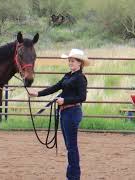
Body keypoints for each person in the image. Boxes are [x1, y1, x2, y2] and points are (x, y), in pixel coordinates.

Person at [29, 49, 90, 180]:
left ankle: (74, 176)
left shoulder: (80, 78)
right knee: (70, 146)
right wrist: (38, 93)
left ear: (80, 63)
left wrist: (65, 100)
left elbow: (82, 97)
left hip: (72, 112)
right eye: (69, 61)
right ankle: (72, 175)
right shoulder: (68, 75)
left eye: (73, 61)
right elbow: (55, 87)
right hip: (65, 112)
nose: (70, 63)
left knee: (71, 146)